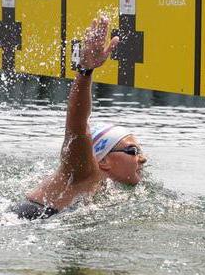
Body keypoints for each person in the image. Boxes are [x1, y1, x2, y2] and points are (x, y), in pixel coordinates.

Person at [13, 16, 148, 220]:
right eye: (132, 151)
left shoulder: (103, 184)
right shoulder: (84, 170)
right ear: (104, 161)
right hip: (23, 221)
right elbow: (77, 126)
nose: (143, 158)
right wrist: (85, 71)